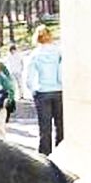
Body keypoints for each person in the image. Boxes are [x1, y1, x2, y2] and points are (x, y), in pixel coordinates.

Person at [27, 24, 63, 156]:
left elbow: (29, 77)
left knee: (44, 127)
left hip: (42, 92)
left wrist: (33, 89)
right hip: (59, 90)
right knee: (60, 125)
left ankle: (45, 155)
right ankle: (61, 151)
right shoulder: (58, 51)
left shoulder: (35, 54)